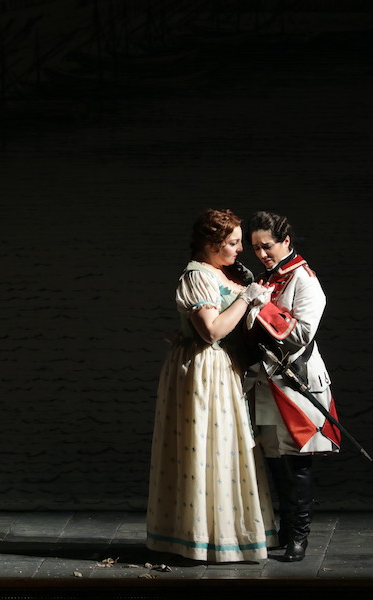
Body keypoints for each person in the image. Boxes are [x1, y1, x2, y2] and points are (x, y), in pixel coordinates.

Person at [146, 208, 278, 562]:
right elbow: (212, 331)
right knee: (207, 447)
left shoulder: (220, 273)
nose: (240, 249)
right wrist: (246, 298)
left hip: (221, 368)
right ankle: (203, 538)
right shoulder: (197, 276)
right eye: (233, 243)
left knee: (225, 448)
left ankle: (229, 533)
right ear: (211, 243)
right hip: (204, 369)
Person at [245, 211, 340, 562]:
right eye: (256, 248)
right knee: (274, 458)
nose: (261, 254)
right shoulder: (265, 278)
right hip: (266, 380)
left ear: (286, 241)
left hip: (296, 381)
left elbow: (301, 334)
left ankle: (299, 538)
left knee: (296, 462)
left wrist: (262, 307)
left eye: (267, 246)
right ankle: (284, 532)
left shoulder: (305, 280)